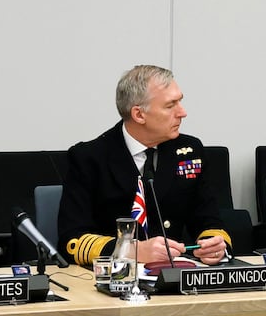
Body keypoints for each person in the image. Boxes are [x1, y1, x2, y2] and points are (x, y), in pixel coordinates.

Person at [59, 65, 231, 267]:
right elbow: (72, 240)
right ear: (139, 115)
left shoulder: (189, 151)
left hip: (173, 276)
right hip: (112, 279)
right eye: (170, 106)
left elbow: (209, 220)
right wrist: (130, 250)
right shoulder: (89, 158)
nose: (182, 112)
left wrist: (215, 246)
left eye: (180, 101)